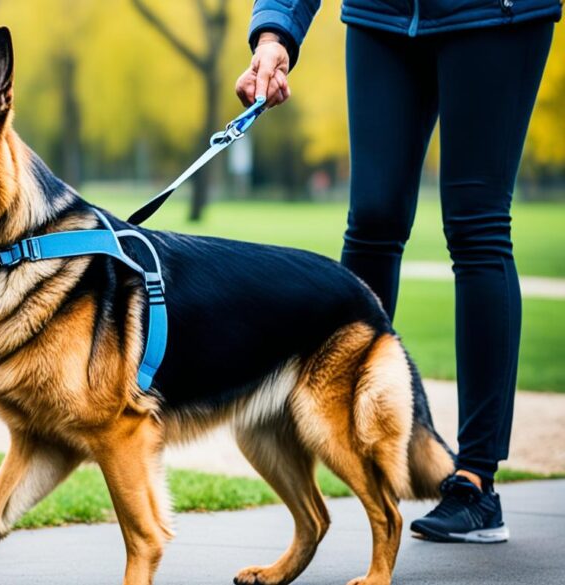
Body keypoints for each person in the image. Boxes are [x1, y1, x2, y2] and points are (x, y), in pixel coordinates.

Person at [237, 0, 559, 544]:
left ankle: (475, 481)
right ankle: (348, 426)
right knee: (372, 219)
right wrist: (274, 34)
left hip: (493, 17)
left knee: (476, 226)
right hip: (381, 15)